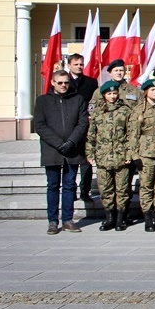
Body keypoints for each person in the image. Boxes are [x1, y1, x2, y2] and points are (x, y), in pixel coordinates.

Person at [35, 70, 88, 234]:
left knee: (70, 186)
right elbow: (40, 126)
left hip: (73, 150)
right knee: (52, 186)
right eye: (60, 82)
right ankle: (52, 221)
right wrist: (59, 144)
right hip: (52, 151)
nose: (64, 85)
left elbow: (83, 123)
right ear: (52, 82)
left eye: (66, 82)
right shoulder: (43, 101)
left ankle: (67, 220)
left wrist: (71, 142)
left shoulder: (77, 99)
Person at [87, 81, 132, 232]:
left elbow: (131, 134)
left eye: (114, 93)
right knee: (105, 189)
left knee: (122, 189)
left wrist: (129, 153)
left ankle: (120, 218)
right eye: (109, 94)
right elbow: (92, 134)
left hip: (121, 155)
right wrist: (90, 153)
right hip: (103, 156)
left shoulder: (125, 110)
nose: (112, 97)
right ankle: (109, 218)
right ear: (104, 95)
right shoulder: (98, 112)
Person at [130, 79, 155, 232]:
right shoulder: (139, 110)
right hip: (145, 152)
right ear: (146, 91)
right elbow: (133, 134)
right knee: (146, 186)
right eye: (153, 90)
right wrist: (135, 155)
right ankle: (148, 217)